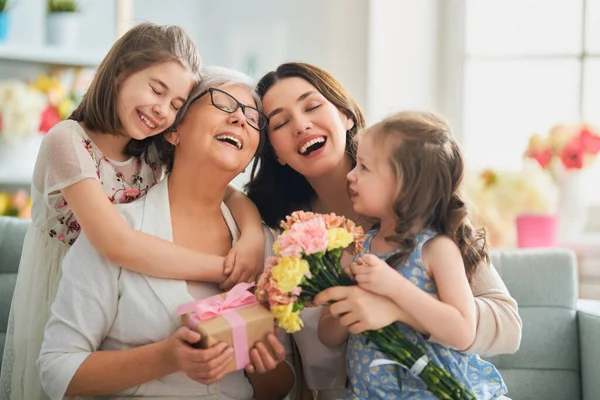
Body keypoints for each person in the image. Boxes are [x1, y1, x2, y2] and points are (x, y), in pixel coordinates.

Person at [1, 23, 265, 400]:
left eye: (176, 105)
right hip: (64, 288)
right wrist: (223, 269)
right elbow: (117, 243)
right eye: (157, 90)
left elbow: (228, 193)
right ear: (121, 71)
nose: (162, 110)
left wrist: (253, 236)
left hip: (120, 287)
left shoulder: (148, 149)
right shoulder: (68, 140)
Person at [246, 62, 521, 399]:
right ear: (276, 152)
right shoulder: (283, 236)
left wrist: (395, 307)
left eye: (312, 106)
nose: (301, 125)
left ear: (346, 116)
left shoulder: (415, 211)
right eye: (281, 122)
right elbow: (300, 362)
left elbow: (508, 327)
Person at [38, 67, 295, 400]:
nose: (240, 120)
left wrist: (267, 367)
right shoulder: (119, 229)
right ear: (175, 130)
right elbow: (56, 370)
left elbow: (282, 387)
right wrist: (166, 357)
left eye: (252, 117)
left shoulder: (266, 245)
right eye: (225, 104)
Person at [318, 111, 508, 399]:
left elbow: (463, 331)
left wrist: (393, 292)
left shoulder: (437, 250)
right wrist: (345, 306)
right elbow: (327, 337)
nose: (350, 175)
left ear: (406, 187)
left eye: (364, 168)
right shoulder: (356, 250)